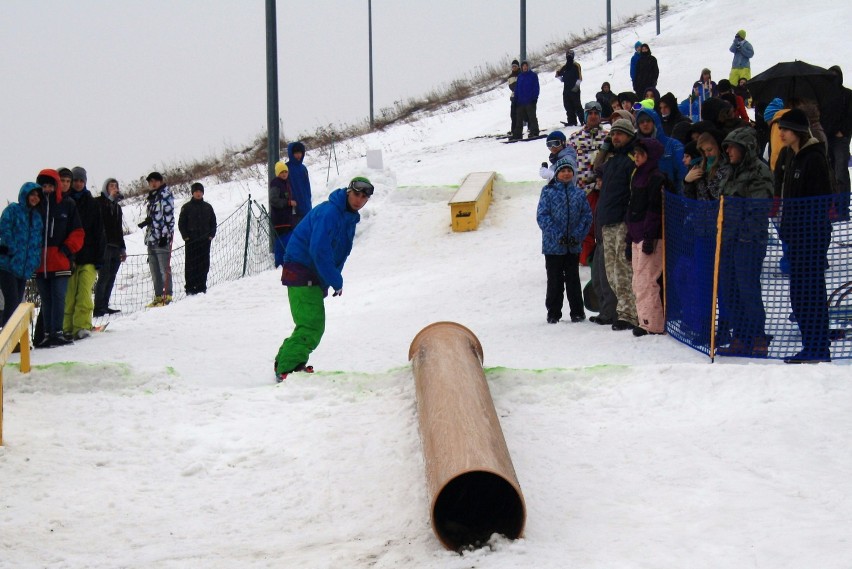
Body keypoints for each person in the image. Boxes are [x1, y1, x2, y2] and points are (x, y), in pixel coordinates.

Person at [274, 177, 373, 381]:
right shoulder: (330, 212)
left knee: (309, 322)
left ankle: (286, 361)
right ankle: (288, 369)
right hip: (301, 270)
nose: (359, 200)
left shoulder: (348, 218)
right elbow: (319, 250)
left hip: (311, 274)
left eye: (364, 197)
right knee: (312, 324)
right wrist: (335, 280)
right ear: (348, 192)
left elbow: (339, 252)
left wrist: (327, 280)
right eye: (356, 194)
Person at [774, 108, 834, 363]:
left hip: (811, 236)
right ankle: (812, 343)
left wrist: (805, 228)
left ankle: (818, 347)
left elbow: (821, 201)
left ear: (797, 131)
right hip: (795, 236)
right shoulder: (790, 155)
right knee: (799, 295)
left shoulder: (814, 158)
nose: (781, 133)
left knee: (811, 293)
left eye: (785, 129)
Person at [716, 127, 773, 358]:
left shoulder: (759, 171)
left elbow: (759, 207)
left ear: (745, 148)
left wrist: (742, 229)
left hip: (749, 241)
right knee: (729, 290)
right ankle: (740, 335)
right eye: (727, 147)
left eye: (732, 147)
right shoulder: (730, 171)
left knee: (747, 288)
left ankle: (757, 336)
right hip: (728, 239)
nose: (728, 151)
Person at [536, 157, 592, 324]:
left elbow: (586, 216)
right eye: (563, 171)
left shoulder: (579, 193)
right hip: (553, 246)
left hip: (573, 246)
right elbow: (542, 216)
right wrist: (557, 235)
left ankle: (577, 312)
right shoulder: (548, 192)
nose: (566, 174)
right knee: (554, 280)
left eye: (569, 171)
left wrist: (578, 235)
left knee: (573, 279)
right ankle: (553, 313)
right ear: (557, 173)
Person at [597, 119, 640, 331]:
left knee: (623, 269)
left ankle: (629, 313)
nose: (615, 137)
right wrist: (605, 148)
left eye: (620, 134)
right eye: (613, 134)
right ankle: (621, 309)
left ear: (630, 136)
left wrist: (629, 219)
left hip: (623, 220)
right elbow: (596, 167)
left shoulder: (632, 159)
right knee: (611, 271)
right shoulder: (612, 160)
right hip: (607, 220)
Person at [34, 169, 84, 348]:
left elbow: (78, 232)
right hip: (40, 263)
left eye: (50, 185)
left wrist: (66, 249)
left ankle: (58, 332)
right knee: (46, 300)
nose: (47, 189)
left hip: (60, 261)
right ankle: (48, 334)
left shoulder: (67, 204)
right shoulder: (36, 206)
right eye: (44, 185)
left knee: (59, 297)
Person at [625, 138, 667, 336]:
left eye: (640, 154)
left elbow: (654, 210)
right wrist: (628, 237)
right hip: (636, 233)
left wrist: (650, 237)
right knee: (638, 280)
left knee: (647, 280)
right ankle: (644, 320)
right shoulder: (637, 175)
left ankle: (653, 323)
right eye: (635, 154)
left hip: (650, 236)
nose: (636, 158)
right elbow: (632, 206)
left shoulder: (656, 177)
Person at [63, 166, 105, 340]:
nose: (78, 184)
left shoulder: (93, 203)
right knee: (69, 295)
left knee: (84, 294)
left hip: (89, 257)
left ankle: (81, 326)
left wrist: (99, 258)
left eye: (81, 181)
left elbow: (99, 232)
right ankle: (67, 328)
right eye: (76, 181)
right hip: (70, 257)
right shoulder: (65, 202)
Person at [569, 101, 610, 265]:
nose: (593, 116)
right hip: (583, 188)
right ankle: (585, 258)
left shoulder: (608, 136)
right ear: (585, 116)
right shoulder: (575, 138)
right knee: (585, 223)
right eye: (590, 113)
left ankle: (603, 258)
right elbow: (568, 163)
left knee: (603, 224)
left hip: (603, 188)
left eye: (596, 113)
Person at [0, 182, 43, 327]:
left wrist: (35, 260)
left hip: (24, 268)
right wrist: (11, 249)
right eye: (32, 194)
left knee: (17, 304)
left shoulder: (37, 218)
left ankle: (13, 338)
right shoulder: (13, 210)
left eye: (38, 195)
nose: (35, 198)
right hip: (7, 265)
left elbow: (37, 241)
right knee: (11, 302)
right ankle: (7, 339)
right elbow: (4, 229)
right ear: (25, 194)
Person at [138, 171, 174, 307]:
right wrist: (147, 222)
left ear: (160, 181)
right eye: (150, 182)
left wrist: (165, 236)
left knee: (164, 268)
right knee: (154, 268)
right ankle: (158, 296)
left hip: (161, 238)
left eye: (155, 181)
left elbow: (168, 218)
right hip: (151, 238)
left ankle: (167, 295)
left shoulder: (165, 196)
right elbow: (155, 216)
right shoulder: (152, 197)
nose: (153, 184)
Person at [93, 178, 126, 317]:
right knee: (104, 276)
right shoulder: (99, 202)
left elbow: (119, 228)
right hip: (104, 245)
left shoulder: (117, 207)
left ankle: (105, 305)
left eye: (116, 186)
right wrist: (111, 200)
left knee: (112, 276)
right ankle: (98, 307)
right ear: (105, 188)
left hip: (115, 245)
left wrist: (122, 248)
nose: (114, 188)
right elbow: (101, 220)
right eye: (111, 186)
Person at [634, 108, 687, 195]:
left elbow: (682, 174)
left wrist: (679, 198)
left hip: (669, 197)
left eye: (648, 120)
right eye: (641, 122)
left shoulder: (673, 145)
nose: (645, 124)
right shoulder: (636, 148)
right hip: (644, 197)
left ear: (655, 122)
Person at [823, 66, 852, 214]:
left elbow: (850, 115)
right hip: (827, 137)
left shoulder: (847, 94)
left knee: (840, 172)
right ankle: (832, 206)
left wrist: (843, 131)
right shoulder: (823, 95)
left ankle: (842, 207)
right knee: (829, 172)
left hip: (840, 139)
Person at [178, 182, 217, 295]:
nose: (198, 194)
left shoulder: (208, 207)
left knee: (204, 264)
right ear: (192, 193)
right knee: (191, 265)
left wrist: (211, 235)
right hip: (191, 241)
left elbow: (213, 222)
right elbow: (181, 224)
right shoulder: (186, 207)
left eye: (200, 191)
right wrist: (185, 237)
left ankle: (201, 286)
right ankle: (190, 288)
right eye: (196, 191)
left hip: (205, 241)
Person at [269, 160, 298, 267]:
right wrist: (288, 203)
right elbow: (273, 200)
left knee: (286, 241)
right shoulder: (276, 184)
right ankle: (281, 264)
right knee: (283, 243)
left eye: (285, 171)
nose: (284, 174)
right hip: (280, 220)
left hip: (287, 219)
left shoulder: (285, 183)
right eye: (282, 172)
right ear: (278, 173)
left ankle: (284, 263)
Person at [511, 61, 540, 140]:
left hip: (530, 100)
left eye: (526, 66)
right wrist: (516, 99)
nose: (524, 67)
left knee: (532, 117)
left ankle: (534, 132)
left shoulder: (533, 75)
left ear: (528, 66)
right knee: (519, 119)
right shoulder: (520, 76)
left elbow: (536, 87)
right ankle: (517, 135)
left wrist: (535, 98)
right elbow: (517, 89)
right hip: (520, 102)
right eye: (523, 66)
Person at [286, 141, 312, 223]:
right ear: (291, 153)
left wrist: (308, 200)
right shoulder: (287, 168)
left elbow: (307, 186)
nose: (298, 155)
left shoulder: (303, 168)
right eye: (296, 153)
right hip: (294, 208)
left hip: (306, 206)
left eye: (300, 153)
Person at [556, 49, 583, 126]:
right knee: (568, 106)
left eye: (570, 55)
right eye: (568, 55)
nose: (569, 56)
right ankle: (572, 122)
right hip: (566, 90)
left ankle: (583, 120)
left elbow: (580, 77)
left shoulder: (576, 65)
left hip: (575, 89)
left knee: (577, 106)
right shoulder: (564, 67)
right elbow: (559, 76)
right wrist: (559, 77)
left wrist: (577, 86)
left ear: (573, 56)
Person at [507, 59, 521, 135]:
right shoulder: (510, 76)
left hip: (521, 96)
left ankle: (519, 130)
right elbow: (511, 86)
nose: (514, 67)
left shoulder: (521, 74)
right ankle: (513, 130)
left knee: (521, 114)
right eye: (512, 66)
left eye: (515, 66)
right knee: (513, 115)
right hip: (514, 97)